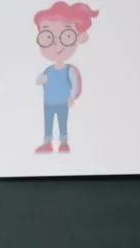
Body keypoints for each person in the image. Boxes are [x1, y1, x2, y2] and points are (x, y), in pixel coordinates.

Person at [33, 2, 100, 154]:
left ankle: (63, 142)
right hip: (48, 102)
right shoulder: (48, 70)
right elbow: (39, 81)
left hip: (62, 102)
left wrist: (72, 97)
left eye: (67, 36)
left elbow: (75, 85)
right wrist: (41, 80)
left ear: (81, 38)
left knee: (62, 123)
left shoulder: (69, 70)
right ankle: (48, 142)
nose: (56, 43)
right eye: (47, 36)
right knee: (48, 123)